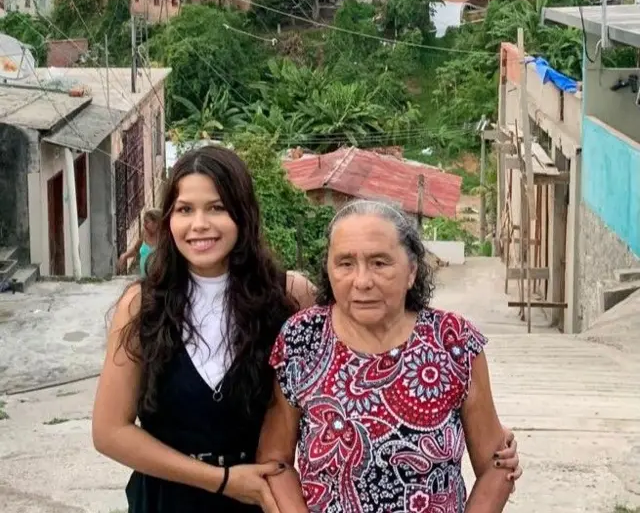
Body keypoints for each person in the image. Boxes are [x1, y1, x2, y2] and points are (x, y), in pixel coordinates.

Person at [93, 146, 520, 513]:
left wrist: (494, 448)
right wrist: (221, 479)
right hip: (172, 498)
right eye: (185, 210)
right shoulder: (143, 306)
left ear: (243, 215)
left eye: (217, 207)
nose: (199, 224)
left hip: (257, 502)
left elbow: (354, 328)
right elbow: (110, 431)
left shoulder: (287, 296)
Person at [258, 199, 518, 513]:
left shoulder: (453, 341)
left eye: (380, 263)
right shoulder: (301, 339)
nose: (362, 280)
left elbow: (497, 465)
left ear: (411, 271)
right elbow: (275, 462)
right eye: (345, 263)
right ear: (328, 269)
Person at [117, 209, 161, 277]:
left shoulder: (165, 239)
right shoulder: (144, 234)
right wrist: (125, 256)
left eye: (147, 222)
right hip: (144, 279)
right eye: (144, 222)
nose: (144, 224)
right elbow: (136, 249)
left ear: (156, 223)